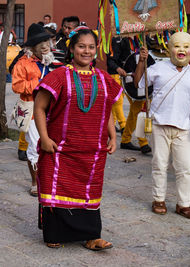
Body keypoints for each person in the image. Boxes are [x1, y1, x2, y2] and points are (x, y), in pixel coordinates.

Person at [33, 26, 121, 250]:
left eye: (91, 47)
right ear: (72, 49)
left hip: (93, 149)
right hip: (60, 148)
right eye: (82, 46)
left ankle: (92, 236)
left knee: (90, 190)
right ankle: (55, 233)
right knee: (57, 190)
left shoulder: (103, 78)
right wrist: (44, 137)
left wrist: (112, 135)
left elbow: (106, 109)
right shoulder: (59, 75)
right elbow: (39, 107)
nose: (87, 51)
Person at [134, 32, 190, 219]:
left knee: (185, 168)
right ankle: (158, 199)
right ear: (169, 48)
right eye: (177, 46)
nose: (181, 50)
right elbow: (138, 84)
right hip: (159, 124)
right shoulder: (158, 68)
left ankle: (184, 204)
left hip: (184, 127)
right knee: (159, 164)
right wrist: (142, 62)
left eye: (186, 46)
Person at [12, 23, 53, 196]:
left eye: (46, 42)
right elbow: (17, 85)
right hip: (33, 110)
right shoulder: (22, 63)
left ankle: (50, 177)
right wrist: (40, 84)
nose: (45, 47)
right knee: (36, 146)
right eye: (40, 44)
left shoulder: (53, 61)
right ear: (32, 46)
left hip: (52, 109)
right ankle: (35, 181)